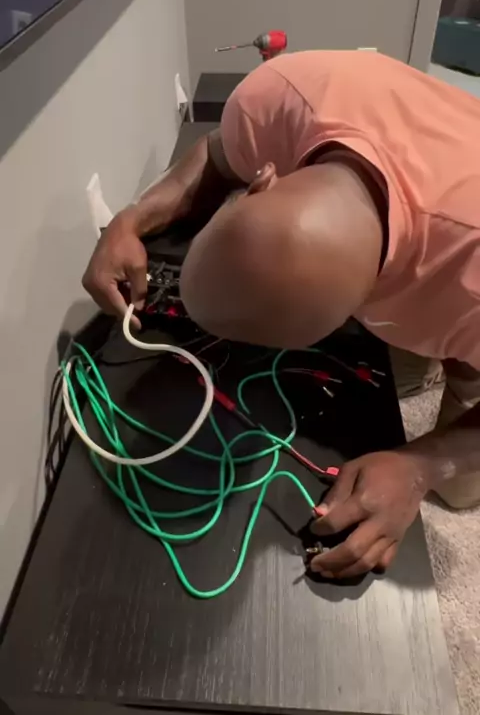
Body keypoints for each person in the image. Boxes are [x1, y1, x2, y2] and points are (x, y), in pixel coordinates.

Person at [83, 50, 480, 580]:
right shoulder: (277, 98)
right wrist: (132, 219)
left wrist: (421, 468)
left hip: (461, 271)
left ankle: (458, 372)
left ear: (371, 301)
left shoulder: (466, 283)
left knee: (457, 489)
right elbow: (215, 158)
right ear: (262, 180)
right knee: (390, 390)